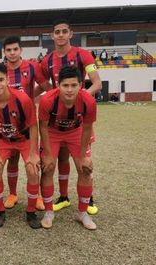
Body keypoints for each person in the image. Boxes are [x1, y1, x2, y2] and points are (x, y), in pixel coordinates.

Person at [37, 19, 101, 215]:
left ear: (71, 34)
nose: (61, 35)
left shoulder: (83, 55)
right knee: (60, 159)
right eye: (57, 32)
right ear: (52, 36)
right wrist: (54, 97)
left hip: (78, 119)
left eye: (65, 31)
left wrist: (78, 100)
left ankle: (88, 199)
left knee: (83, 162)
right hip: (57, 121)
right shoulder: (47, 60)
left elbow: (96, 83)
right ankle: (63, 197)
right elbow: (41, 82)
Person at [0, 63, 41, 229]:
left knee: (32, 169)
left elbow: (34, 126)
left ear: (7, 80)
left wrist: (34, 153)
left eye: (1, 79)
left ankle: (31, 212)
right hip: (3, 139)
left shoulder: (22, 99)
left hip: (24, 139)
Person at [39, 67, 97, 230]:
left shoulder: (88, 101)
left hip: (75, 132)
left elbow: (86, 128)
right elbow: (42, 126)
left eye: (74, 85)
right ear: (58, 85)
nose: (70, 89)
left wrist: (84, 155)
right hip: (53, 132)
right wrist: (48, 154)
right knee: (48, 168)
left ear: (81, 84)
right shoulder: (47, 100)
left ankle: (83, 213)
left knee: (85, 169)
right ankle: (49, 212)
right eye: (65, 85)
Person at [2, 36, 45, 211]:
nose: (12, 53)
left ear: (21, 50)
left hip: (28, 122)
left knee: (33, 161)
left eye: (15, 49)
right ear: (4, 52)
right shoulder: (1, 70)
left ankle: (38, 196)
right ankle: (12, 194)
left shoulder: (32, 66)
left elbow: (43, 85)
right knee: (12, 159)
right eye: (8, 50)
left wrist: (28, 97)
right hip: (8, 122)